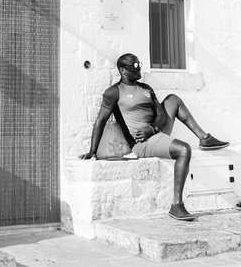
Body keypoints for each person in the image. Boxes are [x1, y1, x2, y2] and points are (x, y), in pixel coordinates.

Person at [79, 53, 229, 221]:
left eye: (139, 64)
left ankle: (204, 138)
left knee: (173, 99)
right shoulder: (114, 92)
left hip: (154, 133)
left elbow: (161, 115)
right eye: (134, 65)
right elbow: (100, 120)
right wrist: (92, 150)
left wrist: (153, 128)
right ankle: (176, 206)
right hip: (142, 143)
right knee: (184, 150)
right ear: (122, 70)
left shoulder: (146, 88)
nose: (139, 68)